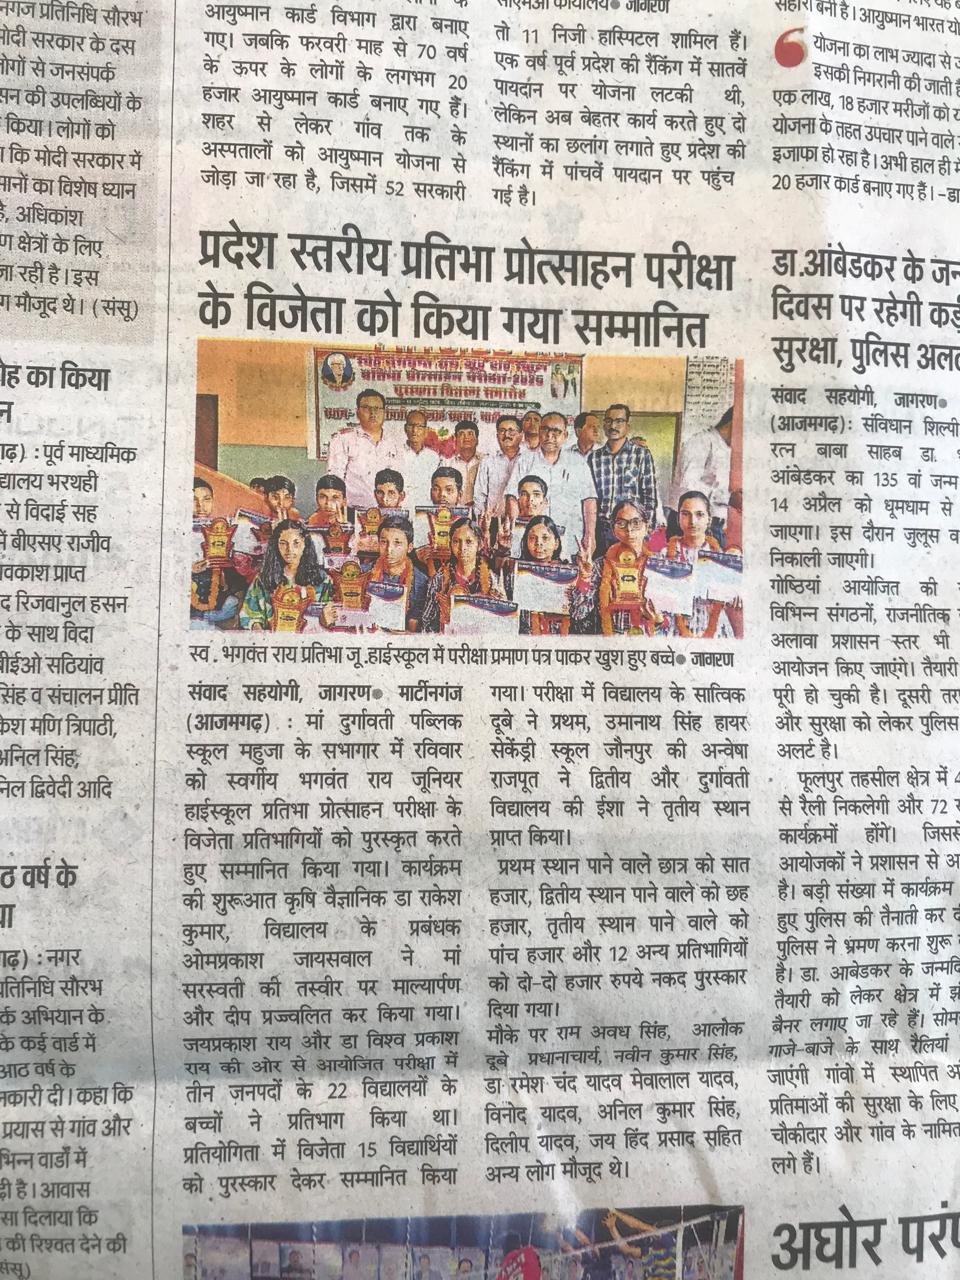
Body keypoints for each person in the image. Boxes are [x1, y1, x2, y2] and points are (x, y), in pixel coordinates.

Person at [504, 411, 597, 560]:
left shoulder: (578, 463)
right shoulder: (524, 461)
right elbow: (512, 498)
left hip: (570, 541)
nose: (549, 436)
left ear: (565, 436)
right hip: (534, 543)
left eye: (556, 431)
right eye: (545, 429)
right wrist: (513, 534)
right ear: (539, 431)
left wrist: (590, 535)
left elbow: (589, 501)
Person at [502, 514, 595, 636]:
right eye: (532, 538)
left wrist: (585, 577)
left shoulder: (569, 574)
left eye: (545, 538)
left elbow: (580, 613)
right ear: (525, 542)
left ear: (556, 543)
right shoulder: (515, 573)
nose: (539, 543)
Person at [663, 489, 739, 638]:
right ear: (678, 518)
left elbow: (732, 592)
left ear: (709, 519)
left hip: (713, 629)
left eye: (699, 514)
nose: (692, 521)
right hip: (676, 630)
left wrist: (735, 595)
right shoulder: (665, 555)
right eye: (686, 514)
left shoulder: (722, 558)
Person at [240, 519, 334, 630]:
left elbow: (330, 615)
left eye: (296, 543)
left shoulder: (322, 580)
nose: (289, 550)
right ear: (276, 545)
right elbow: (250, 615)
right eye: (283, 544)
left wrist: (325, 621)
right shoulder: (264, 579)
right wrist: (258, 629)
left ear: (305, 544)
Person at [589, 404, 658, 553]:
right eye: (609, 421)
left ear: (627, 426)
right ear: (604, 424)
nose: (613, 426)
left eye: (619, 421)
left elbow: (650, 497)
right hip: (602, 530)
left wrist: (645, 533)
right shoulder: (594, 458)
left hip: (631, 530)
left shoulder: (641, 455)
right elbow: (589, 499)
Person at [669, 405, 738, 542]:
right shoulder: (701, 441)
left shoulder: (726, 448)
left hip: (714, 525)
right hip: (691, 522)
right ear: (734, 423)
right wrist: (728, 497)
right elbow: (688, 487)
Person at [420, 516, 502, 632]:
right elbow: (426, 623)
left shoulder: (492, 579)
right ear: (450, 544)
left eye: (469, 542)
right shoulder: (440, 579)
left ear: (479, 545)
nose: (462, 548)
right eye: (456, 541)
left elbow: (498, 624)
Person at [327, 388, 402, 509]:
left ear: (384, 412)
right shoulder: (343, 439)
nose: (373, 413)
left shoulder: (394, 442)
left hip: (387, 511)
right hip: (354, 511)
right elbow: (335, 482)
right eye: (367, 408)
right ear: (358, 413)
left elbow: (400, 480)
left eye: (377, 408)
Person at [597, 500, 663, 637]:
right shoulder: (602, 564)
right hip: (613, 640)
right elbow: (579, 613)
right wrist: (584, 578)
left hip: (651, 638)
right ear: (613, 529)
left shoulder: (659, 564)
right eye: (621, 523)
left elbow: (673, 620)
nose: (629, 530)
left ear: (646, 526)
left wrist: (659, 621)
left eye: (636, 523)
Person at [368, 515, 428, 632]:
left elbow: (413, 625)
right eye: (384, 542)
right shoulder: (365, 573)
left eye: (397, 543)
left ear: (409, 547)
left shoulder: (420, 582)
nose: (389, 549)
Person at [473, 414, 523, 528]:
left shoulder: (528, 460)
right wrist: (481, 525)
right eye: (502, 431)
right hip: (493, 523)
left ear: (521, 435)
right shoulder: (488, 461)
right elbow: (479, 496)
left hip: (522, 522)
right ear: (497, 436)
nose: (506, 435)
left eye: (511, 431)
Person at [398, 407, 439, 510]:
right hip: (403, 509)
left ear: (426, 431)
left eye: (419, 426)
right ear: (405, 428)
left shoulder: (433, 457)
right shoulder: (396, 453)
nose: (414, 430)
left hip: (426, 510)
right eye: (411, 425)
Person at [450, 419, 482, 505]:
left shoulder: (486, 462)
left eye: (470, 433)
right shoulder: (448, 464)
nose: (466, 438)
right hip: (454, 511)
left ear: (477, 440)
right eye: (461, 434)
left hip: (481, 512)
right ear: (456, 440)